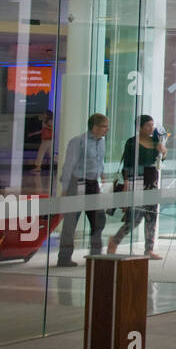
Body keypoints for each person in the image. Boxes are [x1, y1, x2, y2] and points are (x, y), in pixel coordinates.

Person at [107, 115, 166, 259]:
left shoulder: (156, 141)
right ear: (139, 127)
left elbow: (159, 161)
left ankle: (149, 249)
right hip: (136, 180)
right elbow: (127, 164)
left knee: (151, 215)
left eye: (152, 125)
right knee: (135, 217)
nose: (151, 128)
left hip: (152, 181)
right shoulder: (132, 142)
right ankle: (115, 241)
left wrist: (163, 152)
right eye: (147, 125)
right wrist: (127, 182)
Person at [56, 113, 109, 267]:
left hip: (93, 184)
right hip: (76, 183)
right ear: (95, 127)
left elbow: (100, 161)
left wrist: (102, 176)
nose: (107, 129)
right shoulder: (78, 142)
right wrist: (65, 189)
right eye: (104, 126)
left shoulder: (102, 142)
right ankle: (64, 257)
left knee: (99, 219)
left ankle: (96, 254)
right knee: (71, 222)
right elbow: (69, 166)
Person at [30, 110, 54, 175]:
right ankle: (62, 163)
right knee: (51, 154)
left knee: (40, 153)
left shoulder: (49, 121)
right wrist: (33, 133)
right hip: (48, 140)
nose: (43, 115)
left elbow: (52, 128)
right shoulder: (46, 121)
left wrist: (46, 126)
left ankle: (38, 167)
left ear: (47, 115)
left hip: (47, 140)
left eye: (45, 114)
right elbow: (43, 130)